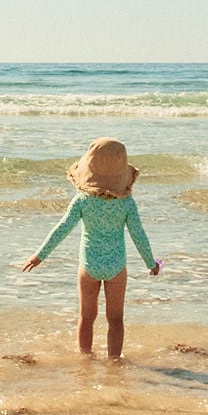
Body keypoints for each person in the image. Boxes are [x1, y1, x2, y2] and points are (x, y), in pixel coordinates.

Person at [22, 138, 161, 360]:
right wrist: (150, 263)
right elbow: (138, 235)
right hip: (116, 267)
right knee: (115, 320)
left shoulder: (82, 201)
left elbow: (62, 228)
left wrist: (39, 255)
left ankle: (85, 358)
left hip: (89, 266)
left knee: (86, 317)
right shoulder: (126, 204)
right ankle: (114, 362)